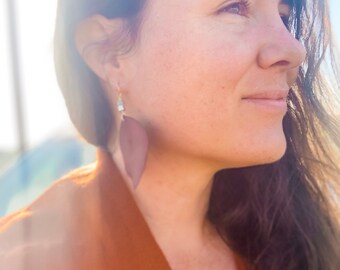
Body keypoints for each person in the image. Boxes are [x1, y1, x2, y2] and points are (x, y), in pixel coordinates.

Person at [0, 0, 339, 269]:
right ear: (109, 53)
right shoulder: (28, 259)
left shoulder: (296, 239)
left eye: (283, 13)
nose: (293, 49)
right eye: (234, 7)